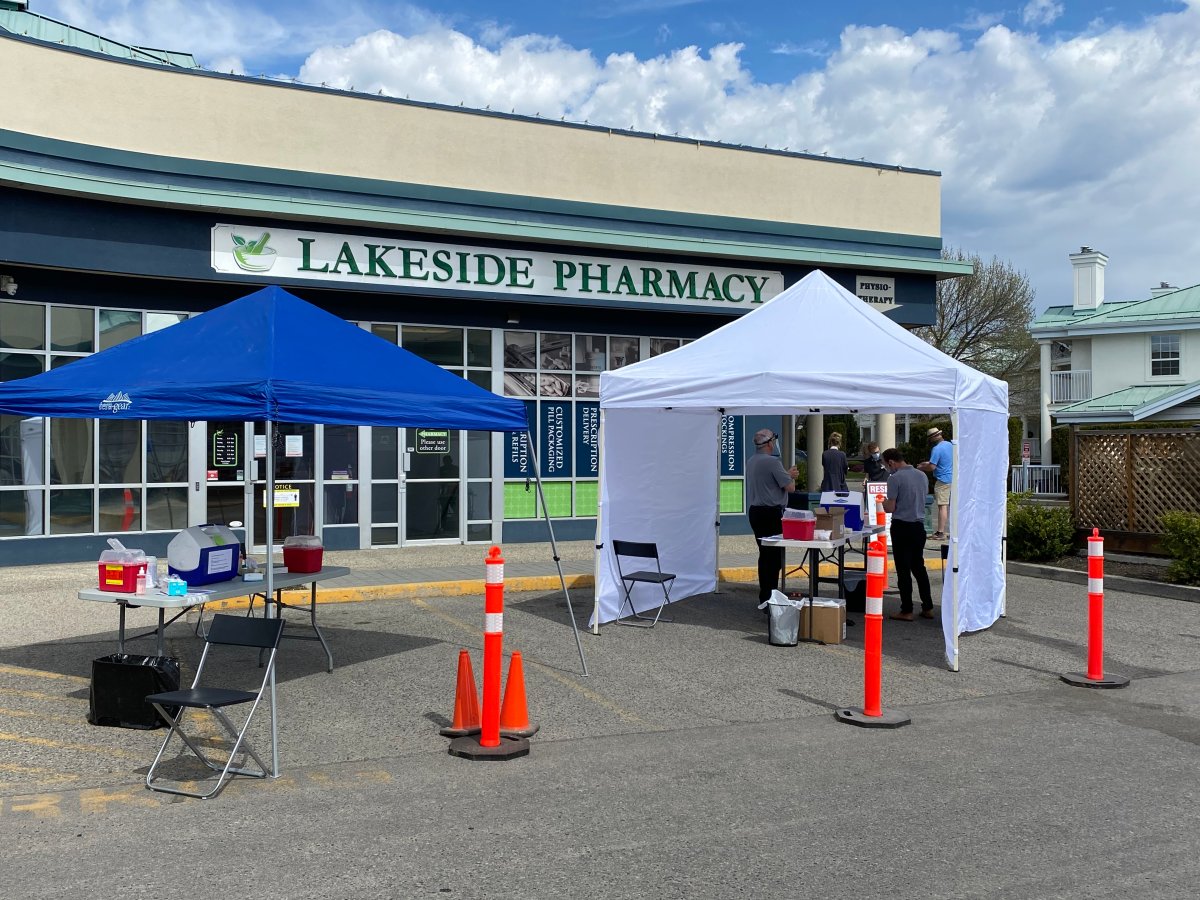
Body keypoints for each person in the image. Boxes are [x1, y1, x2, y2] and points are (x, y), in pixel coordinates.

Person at [746, 429, 799, 607]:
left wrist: (786, 475)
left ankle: (766, 595)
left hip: (755, 511)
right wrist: (790, 476)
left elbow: (771, 481)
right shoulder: (772, 462)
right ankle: (771, 597)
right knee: (773, 557)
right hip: (771, 513)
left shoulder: (752, 461)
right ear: (769, 443)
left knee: (765, 555)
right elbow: (789, 487)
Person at [882, 447, 934, 620]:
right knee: (919, 567)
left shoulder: (894, 478)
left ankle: (907, 609)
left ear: (891, 462)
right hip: (919, 526)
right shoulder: (922, 476)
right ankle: (928, 607)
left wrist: (882, 501)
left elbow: (891, 507)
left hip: (901, 526)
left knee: (903, 569)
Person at [918, 427, 952, 540]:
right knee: (950, 506)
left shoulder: (936, 449)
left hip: (942, 479)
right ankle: (950, 531)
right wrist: (926, 463)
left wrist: (921, 467)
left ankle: (940, 532)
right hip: (953, 478)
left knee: (942, 506)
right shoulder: (950, 445)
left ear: (932, 438)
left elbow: (932, 466)